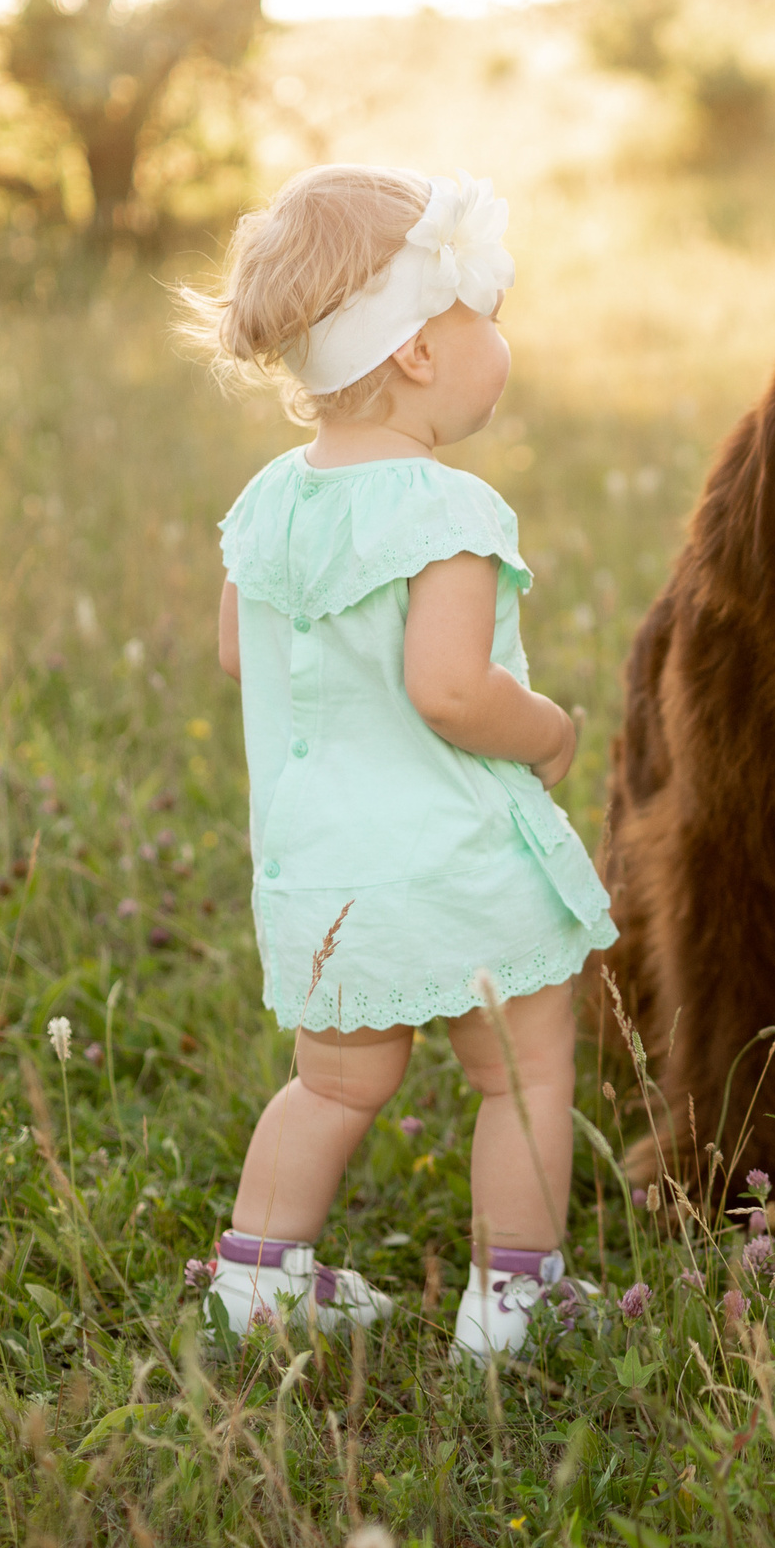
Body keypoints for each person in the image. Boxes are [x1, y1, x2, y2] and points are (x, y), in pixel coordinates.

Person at [177, 164, 616, 1358]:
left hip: (322, 876)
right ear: (420, 352)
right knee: (520, 1072)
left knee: (330, 1085)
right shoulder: (447, 508)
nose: (500, 342)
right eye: (489, 315)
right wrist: (553, 728)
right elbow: (451, 690)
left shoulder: (268, 499)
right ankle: (514, 1301)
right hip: (456, 861)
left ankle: (259, 1283)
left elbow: (237, 651)